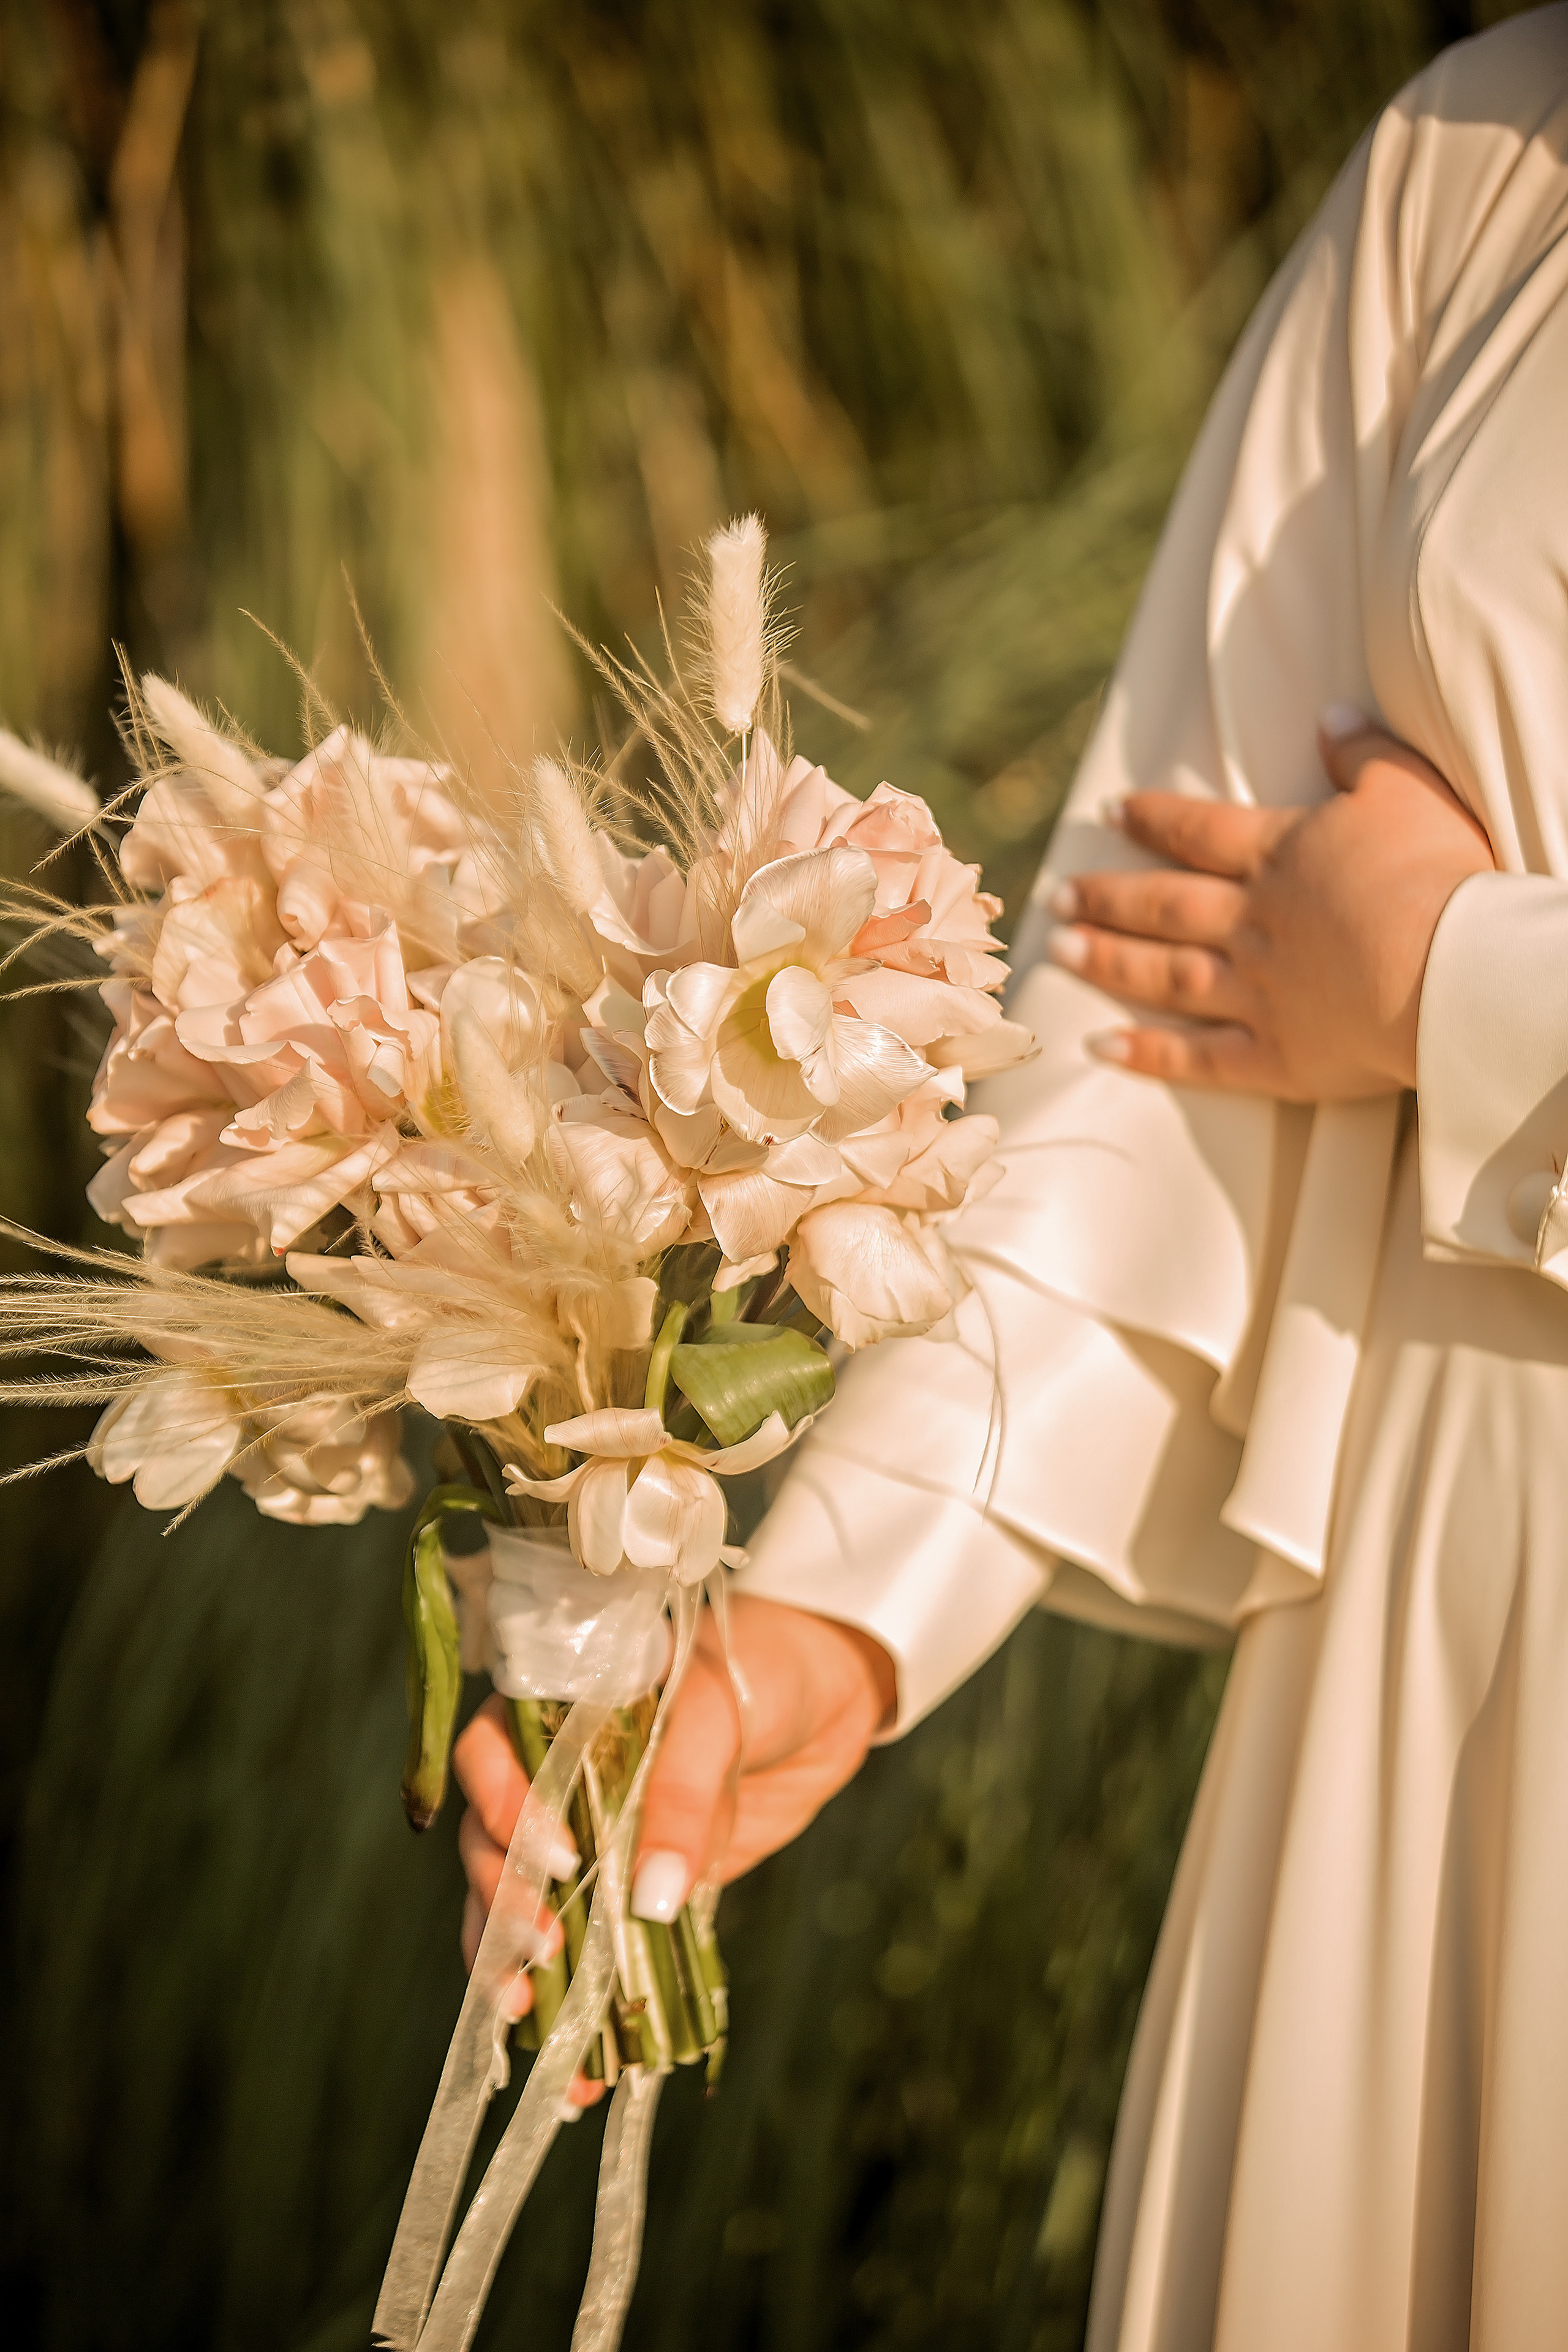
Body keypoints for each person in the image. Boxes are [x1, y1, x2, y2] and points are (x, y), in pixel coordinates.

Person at [456, 9, 1568, 2342]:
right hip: (1439, 1634)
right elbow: (1156, 1033)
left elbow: (1346, 975)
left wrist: (1455, 989)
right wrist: (831, 1625)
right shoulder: (1479, 172)